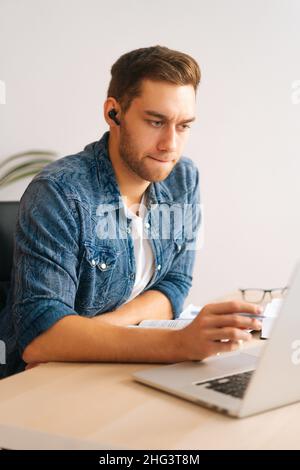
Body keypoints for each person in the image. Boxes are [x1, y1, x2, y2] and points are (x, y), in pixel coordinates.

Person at [0, 45, 262, 379]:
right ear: (114, 113)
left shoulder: (183, 178)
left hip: (110, 366)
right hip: (42, 380)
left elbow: (175, 283)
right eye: (156, 121)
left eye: (184, 126)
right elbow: (40, 338)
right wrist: (176, 344)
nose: (170, 145)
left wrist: (89, 334)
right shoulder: (59, 193)